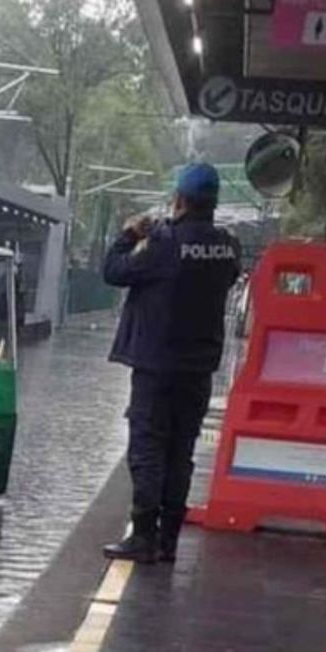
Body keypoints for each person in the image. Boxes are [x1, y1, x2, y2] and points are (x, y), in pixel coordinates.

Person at [101, 163, 241, 564]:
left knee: (147, 447)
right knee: (181, 452)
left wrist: (129, 234)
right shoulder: (227, 247)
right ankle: (168, 540)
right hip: (198, 369)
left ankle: (143, 535)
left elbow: (114, 272)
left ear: (179, 200)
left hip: (156, 365)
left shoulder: (164, 244)